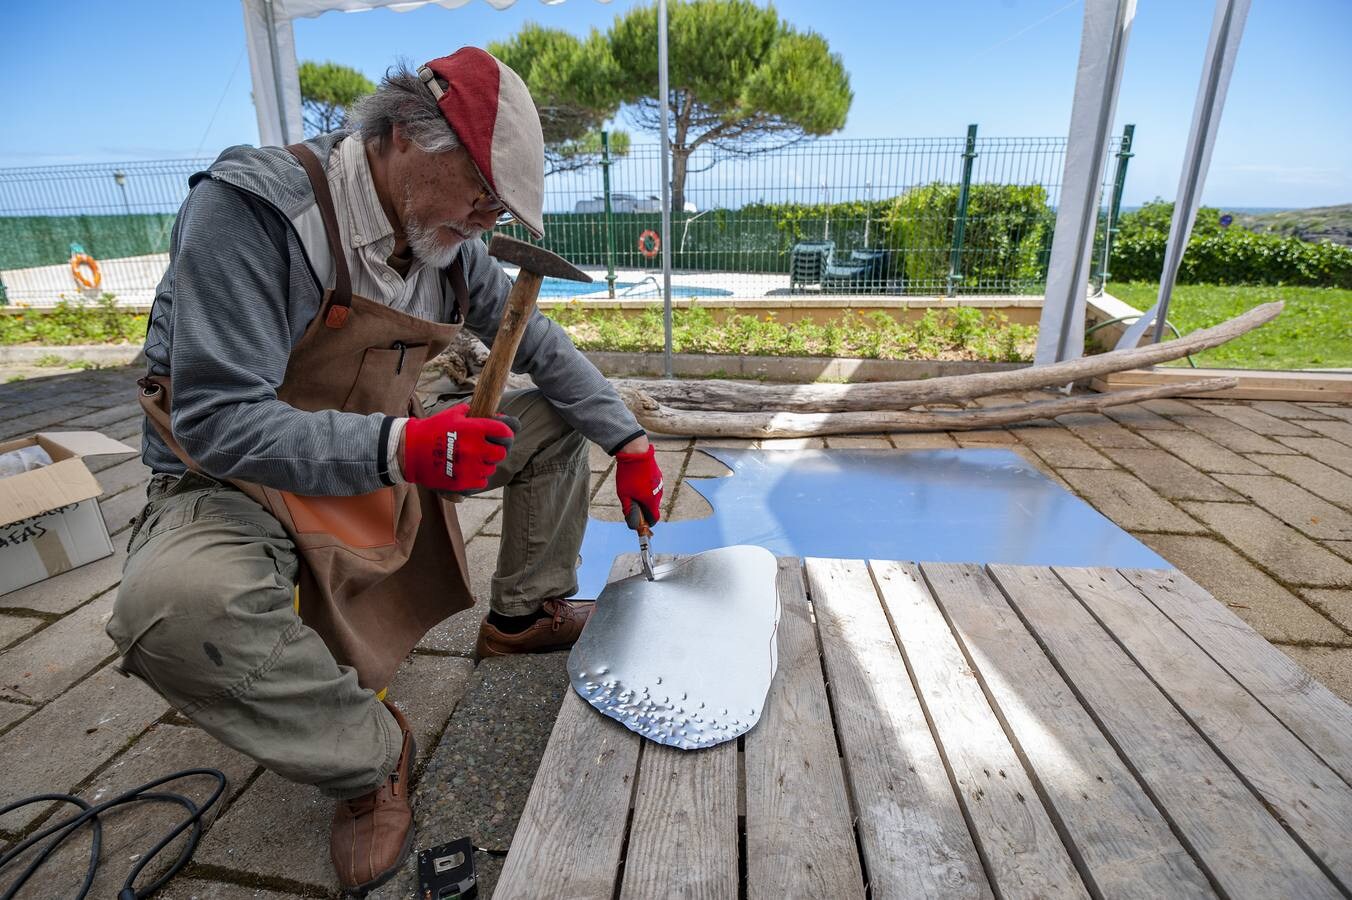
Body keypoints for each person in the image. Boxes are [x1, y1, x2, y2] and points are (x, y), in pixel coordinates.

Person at [106, 47, 664, 893]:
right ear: (403, 135)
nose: (485, 220)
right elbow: (216, 420)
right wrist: (407, 449)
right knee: (172, 612)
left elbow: (541, 349)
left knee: (551, 420)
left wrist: (628, 442)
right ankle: (370, 758)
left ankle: (521, 615)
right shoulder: (256, 216)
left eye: (499, 206)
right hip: (233, 480)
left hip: (384, 451)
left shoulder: (447, 246)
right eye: (479, 191)